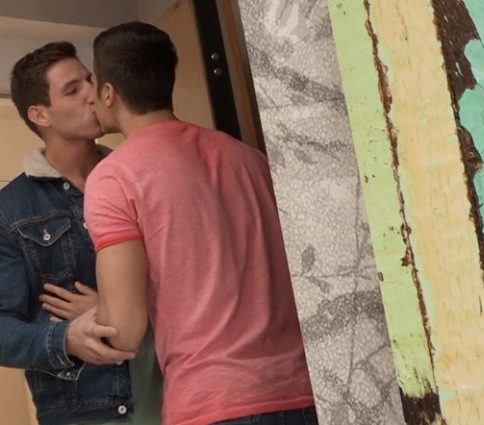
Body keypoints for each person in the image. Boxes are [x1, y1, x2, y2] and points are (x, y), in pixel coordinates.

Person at [83, 22, 316, 425]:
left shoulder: (114, 178)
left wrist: (94, 313)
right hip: (302, 392)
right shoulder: (249, 159)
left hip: (213, 401)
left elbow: (124, 329)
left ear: (108, 92)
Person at [0, 41, 161, 425]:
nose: (93, 93)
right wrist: (67, 338)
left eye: (90, 80)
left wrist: (113, 309)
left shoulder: (141, 175)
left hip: (168, 398)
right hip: (83, 414)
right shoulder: (5, 212)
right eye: (73, 90)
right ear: (40, 114)